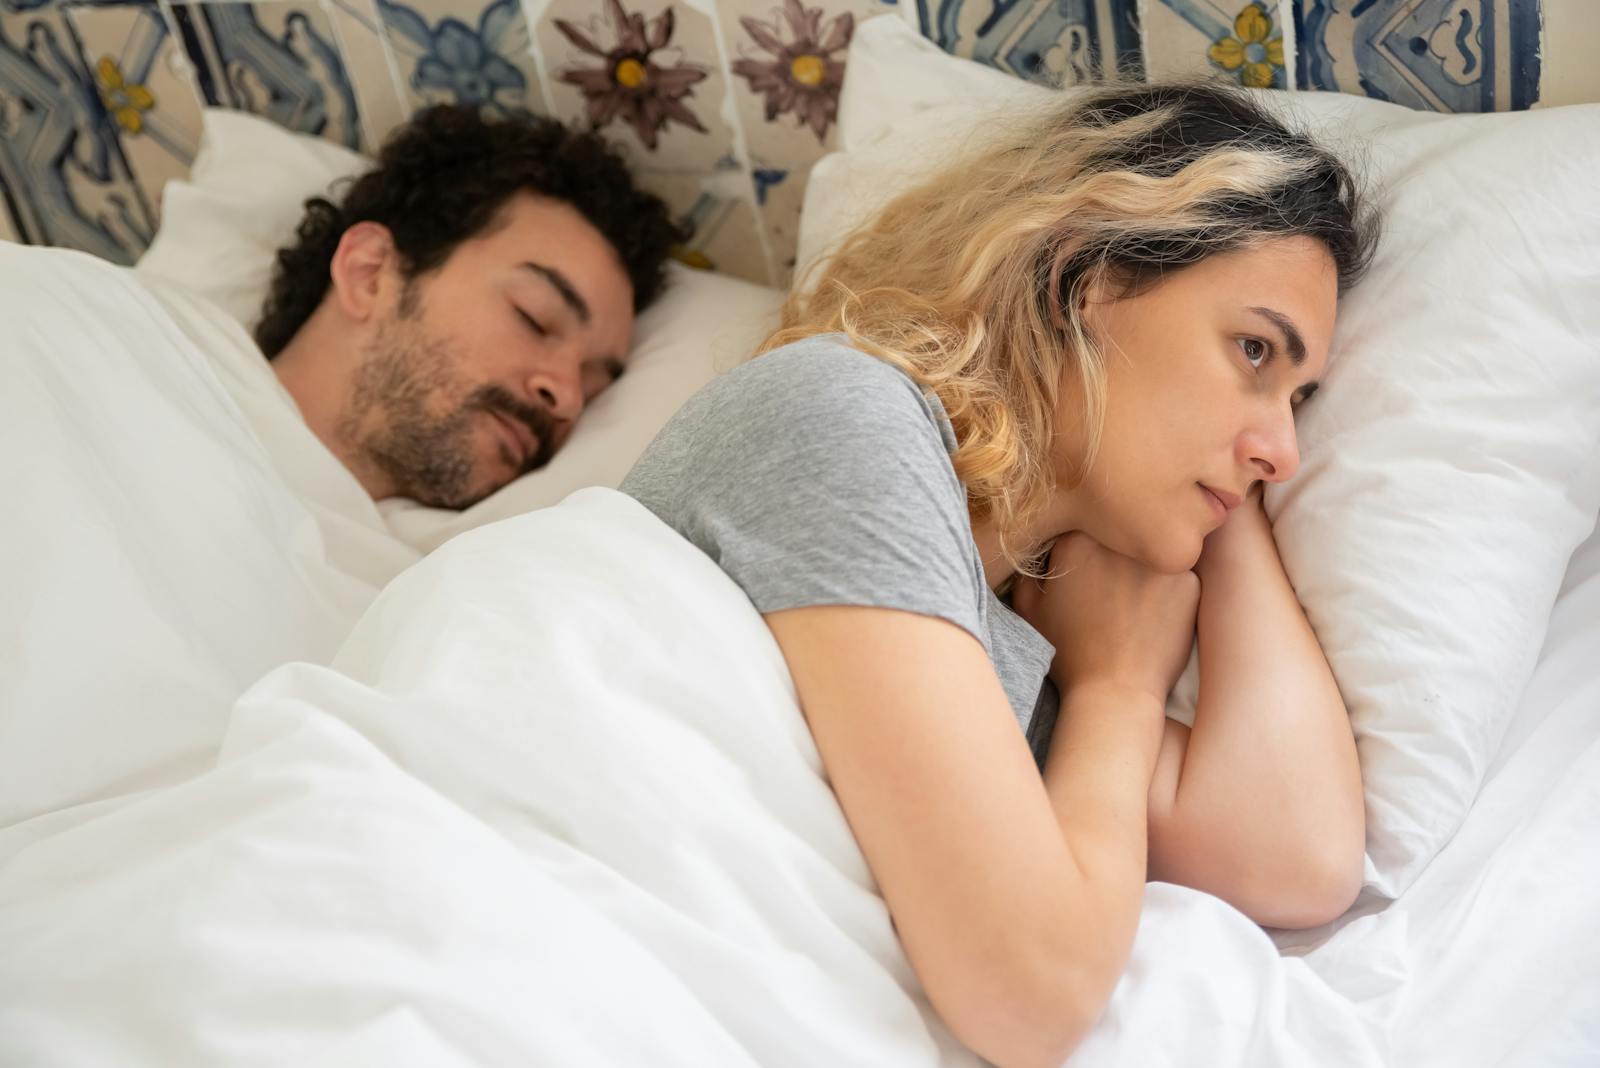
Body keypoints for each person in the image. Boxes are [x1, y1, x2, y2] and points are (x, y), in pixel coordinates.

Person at [622, 81, 1376, 1067]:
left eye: (1300, 397)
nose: (1284, 451)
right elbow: (1031, 1000)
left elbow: (1303, 858)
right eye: (1252, 348)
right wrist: (1119, 691)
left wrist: (1219, 499)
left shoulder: (1016, 645)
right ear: (1083, 279)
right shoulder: (842, 417)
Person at [256, 103, 681, 510]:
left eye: (592, 389)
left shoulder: (455, 563)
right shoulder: (213, 400)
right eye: (534, 318)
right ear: (370, 271)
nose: (568, 399)